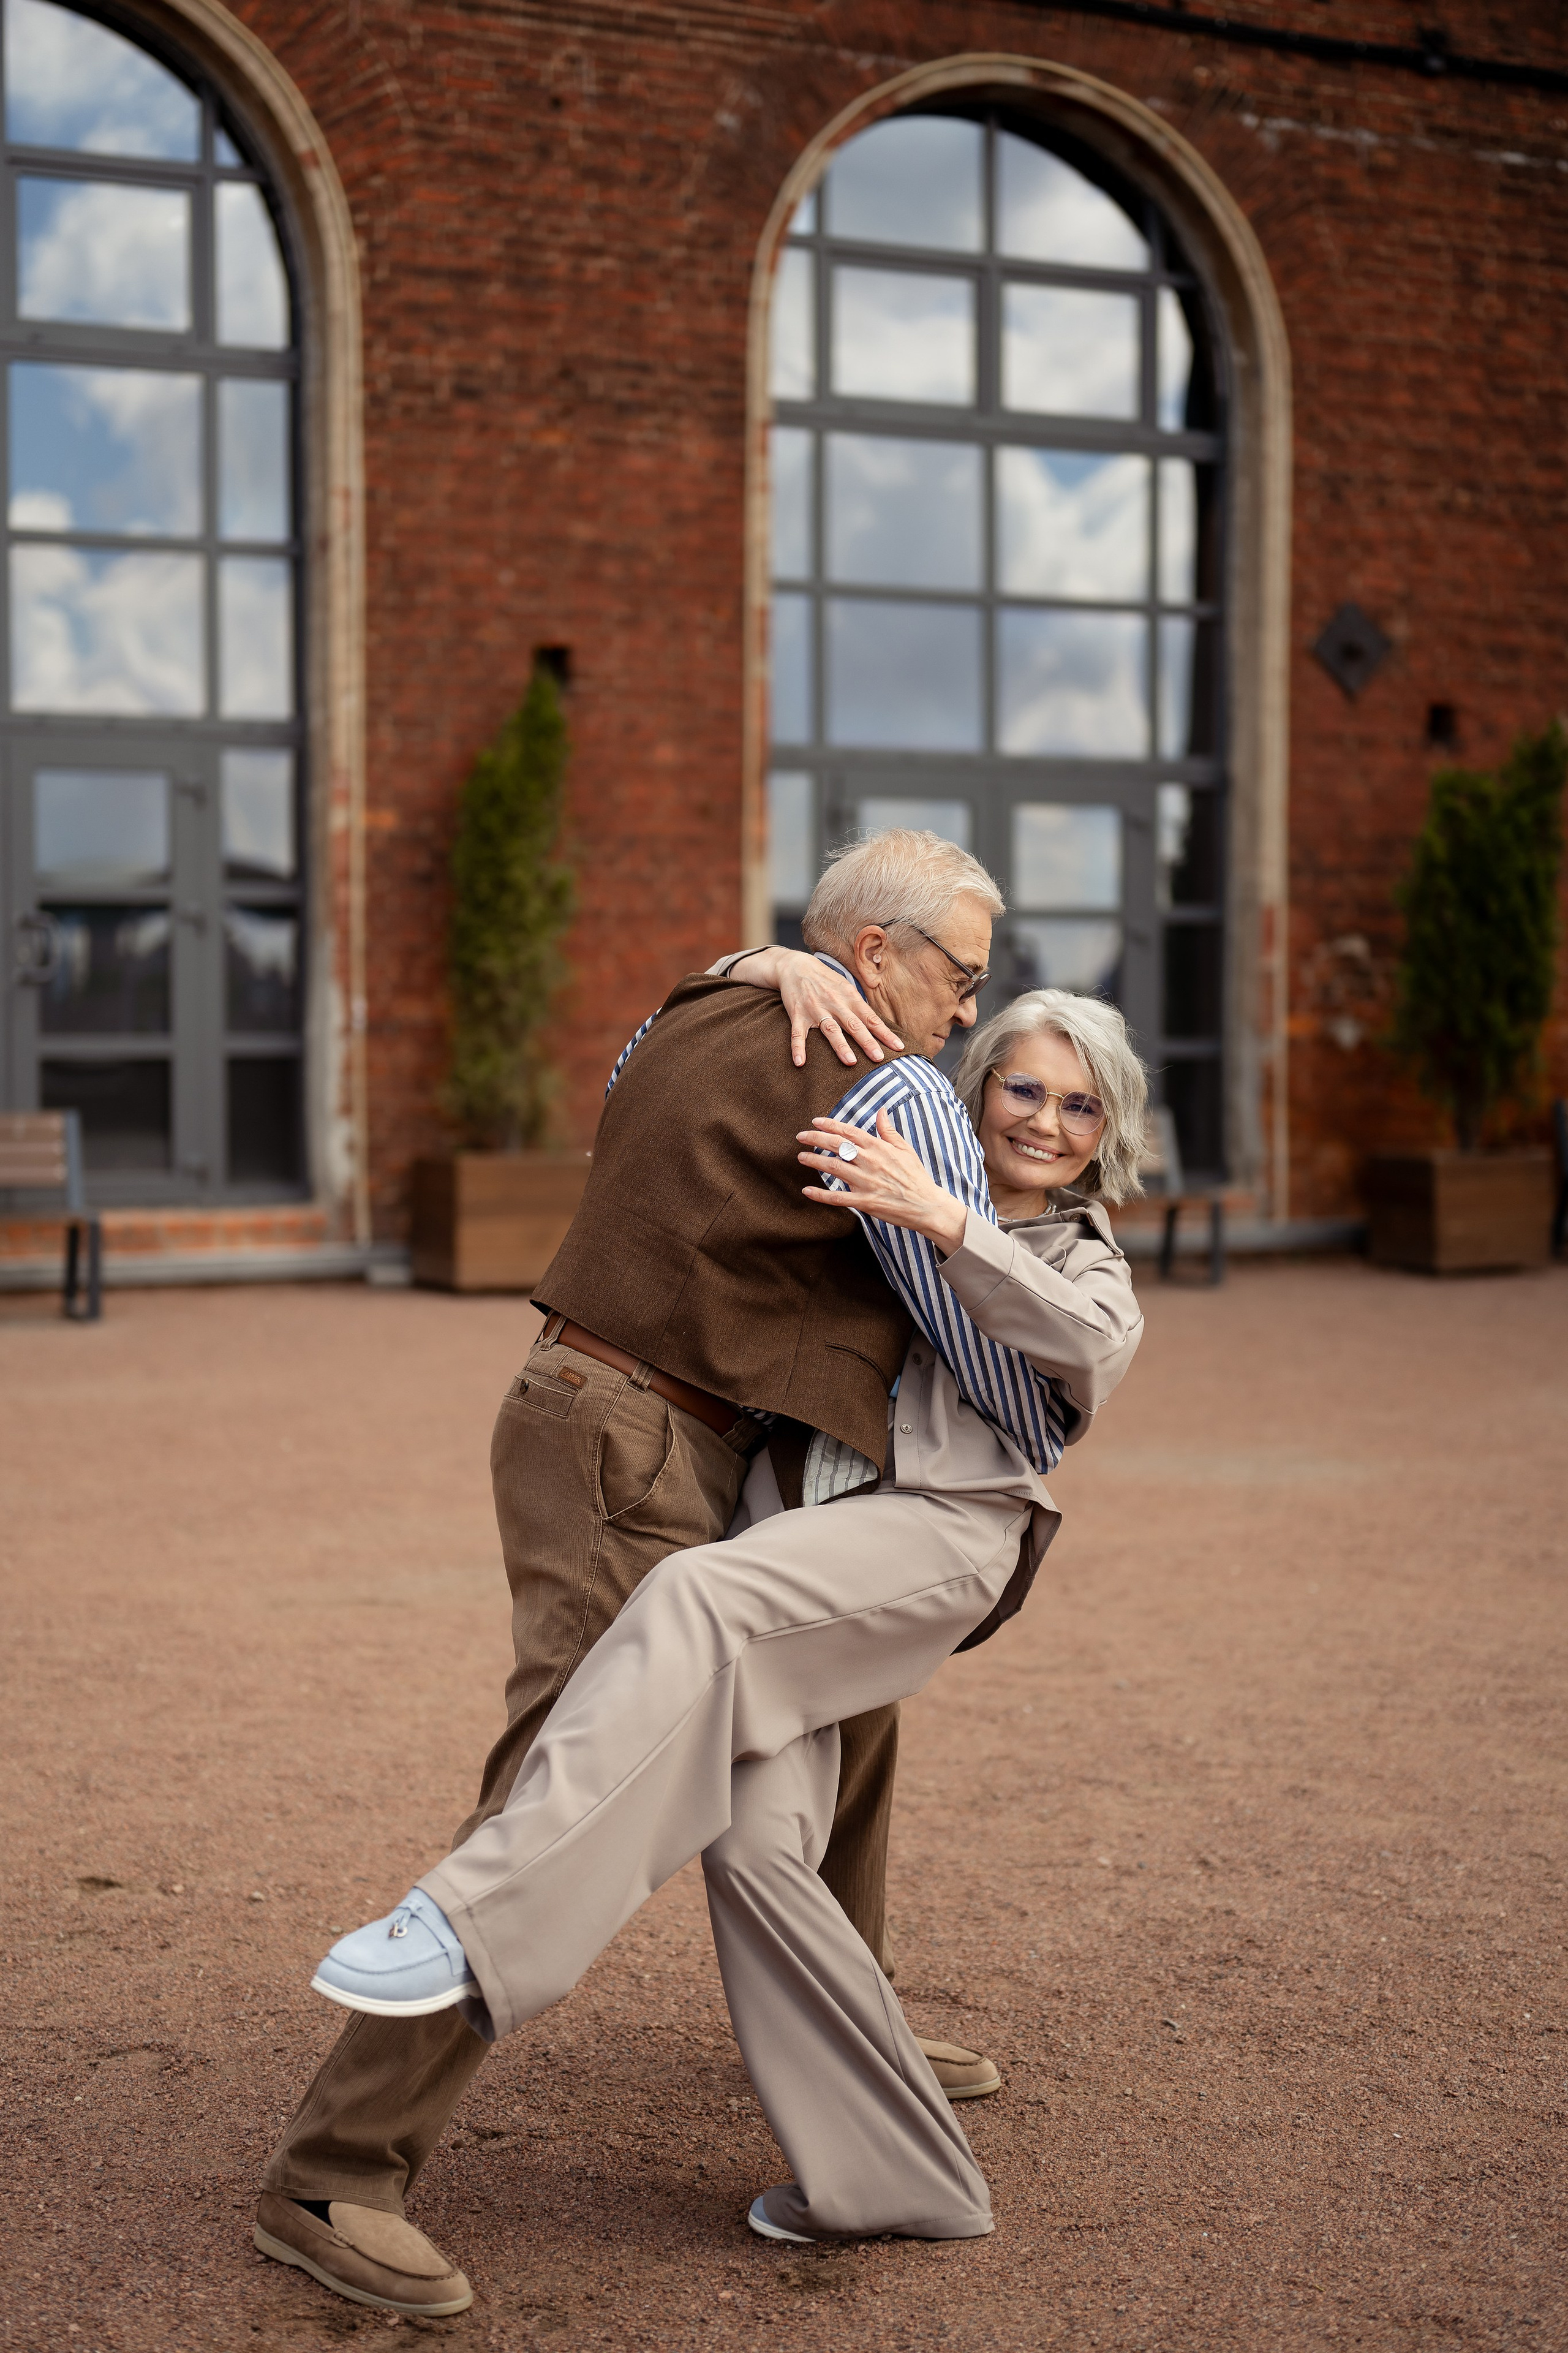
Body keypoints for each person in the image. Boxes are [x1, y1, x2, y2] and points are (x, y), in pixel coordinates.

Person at [257, 831, 1044, 2312]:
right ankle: (334, 2172)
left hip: (613, 1414)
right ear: (870, 958)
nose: (969, 1009)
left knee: (848, 1703)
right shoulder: (893, 1082)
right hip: (639, 1436)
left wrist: (755, 958)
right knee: (566, 1772)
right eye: (957, 974)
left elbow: (649, 1046)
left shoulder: (698, 1007)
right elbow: (993, 1315)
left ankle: (850, 2019)